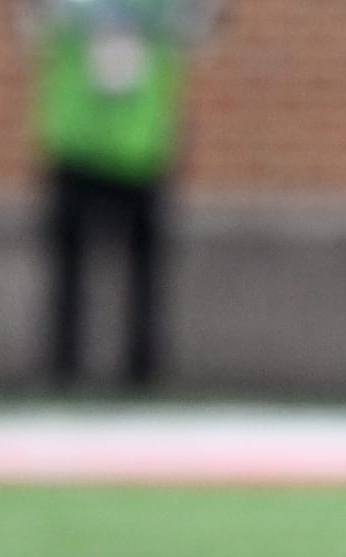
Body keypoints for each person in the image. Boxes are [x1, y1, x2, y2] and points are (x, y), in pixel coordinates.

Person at [14, 0, 223, 389]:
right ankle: (63, 367)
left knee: (143, 267)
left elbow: (204, 27)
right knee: (69, 265)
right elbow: (29, 23)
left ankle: (141, 370)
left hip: (140, 143)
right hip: (76, 138)